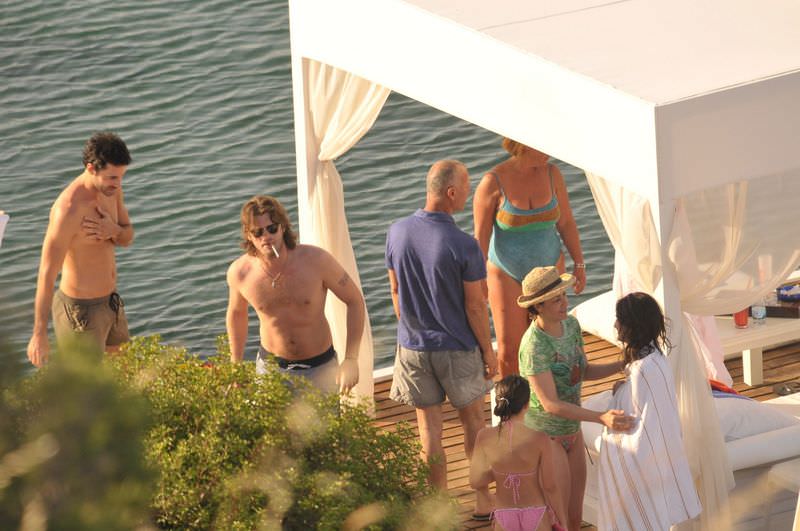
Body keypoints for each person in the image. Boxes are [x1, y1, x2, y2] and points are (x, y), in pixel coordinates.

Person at [385, 160, 498, 518]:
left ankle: (438, 507)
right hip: (457, 348)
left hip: (413, 346)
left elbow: (395, 291)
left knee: (429, 431)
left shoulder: (396, 232)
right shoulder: (464, 245)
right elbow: (475, 307)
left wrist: (412, 328)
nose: (468, 193)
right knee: (474, 424)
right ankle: (483, 499)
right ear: (451, 193)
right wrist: (488, 351)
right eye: (466, 187)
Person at [517, 266, 634, 531]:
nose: (565, 302)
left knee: (574, 515)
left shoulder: (571, 325)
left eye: (564, 295)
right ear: (538, 306)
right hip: (546, 435)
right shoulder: (534, 346)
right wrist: (601, 417)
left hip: (572, 429)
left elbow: (583, 371)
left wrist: (622, 364)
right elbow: (551, 404)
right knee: (557, 517)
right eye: (556, 299)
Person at [226, 195, 364, 394]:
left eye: (272, 228)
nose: (266, 236)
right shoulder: (240, 273)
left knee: (326, 417)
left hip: (320, 368)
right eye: (258, 232)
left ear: (282, 227)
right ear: (248, 235)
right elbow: (237, 314)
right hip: (271, 370)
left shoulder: (316, 260)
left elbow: (354, 300)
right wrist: (235, 366)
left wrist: (351, 358)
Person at [474, 138, 586, 378]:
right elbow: (480, 238)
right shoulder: (492, 182)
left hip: (550, 268)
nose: (550, 150)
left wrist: (579, 264)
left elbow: (566, 222)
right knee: (510, 350)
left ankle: (552, 397)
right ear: (523, 144)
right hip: (507, 271)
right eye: (543, 144)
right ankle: (513, 400)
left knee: (552, 342)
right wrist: (479, 280)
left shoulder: (553, 174)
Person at [27, 132, 134, 366]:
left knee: (125, 374)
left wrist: (113, 230)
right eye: (112, 177)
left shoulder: (111, 191)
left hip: (112, 302)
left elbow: (127, 238)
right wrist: (39, 334)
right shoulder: (68, 210)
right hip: (80, 311)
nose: (118, 184)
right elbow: (47, 272)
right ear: (91, 168)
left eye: (121, 177)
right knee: (88, 385)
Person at [597, 292, 701, 531]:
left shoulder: (644, 370)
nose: (615, 325)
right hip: (657, 459)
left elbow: (642, 425)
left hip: (643, 463)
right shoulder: (655, 357)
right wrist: (622, 389)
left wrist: (619, 392)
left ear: (633, 325)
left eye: (620, 320)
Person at [470, 375, 568, 530]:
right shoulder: (540, 438)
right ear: (527, 404)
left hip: (504, 514)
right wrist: (562, 520)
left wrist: (498, 471)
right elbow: (550, 486)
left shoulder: (484, 436)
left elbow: (475, 481)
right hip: (536, 512)